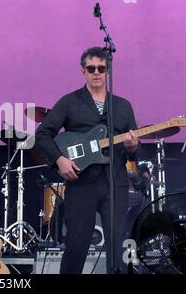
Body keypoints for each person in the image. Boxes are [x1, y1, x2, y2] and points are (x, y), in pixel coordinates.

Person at [35, 46, 140, 274]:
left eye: (101, 68)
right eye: (91, 68)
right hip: (81, 182)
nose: (96, 72)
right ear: (82, 70)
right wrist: (60, 160)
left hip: (115, 182)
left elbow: (133, 153)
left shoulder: (122, 106)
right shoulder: (70, 102)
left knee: (118, 244)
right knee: (76, 244)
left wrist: (133, 148)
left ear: (107, 71)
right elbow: (42, 135)